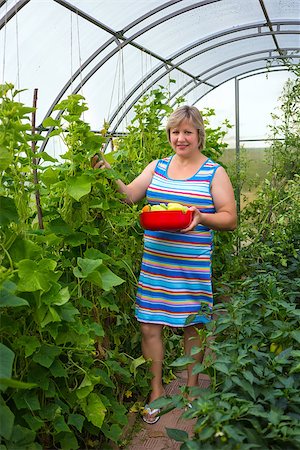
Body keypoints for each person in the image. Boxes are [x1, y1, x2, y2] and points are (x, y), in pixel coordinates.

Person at [92, 105, 237, 424]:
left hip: (191, 266)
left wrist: (201, 216)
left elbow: (230, 218)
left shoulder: (214, 172)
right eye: (175, 132)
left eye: (187, 132)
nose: (181, 138)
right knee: (149, 325)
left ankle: (189, 390)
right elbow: (130, 196)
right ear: (169, 135)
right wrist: (107, 172)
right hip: (156, 264)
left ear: (199, 134)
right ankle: (156, 391)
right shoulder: (157, 167)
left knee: (192, 325)